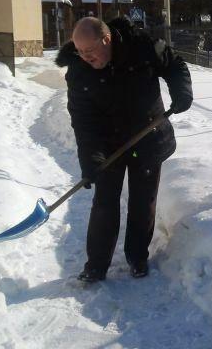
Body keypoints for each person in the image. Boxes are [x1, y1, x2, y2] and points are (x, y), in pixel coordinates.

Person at [56, 16, 193, 282]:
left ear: (106, 39)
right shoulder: (79, 70)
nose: (85, 57)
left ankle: (137, 256)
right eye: (79, 51)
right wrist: (92, 158)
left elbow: (175, 64)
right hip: (110, 144)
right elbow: (83, 121)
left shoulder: (141, 45)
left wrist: (181, 92)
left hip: (148, 135)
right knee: (105, 202)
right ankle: (96, 265)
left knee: (144, 201)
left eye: (90, 51)